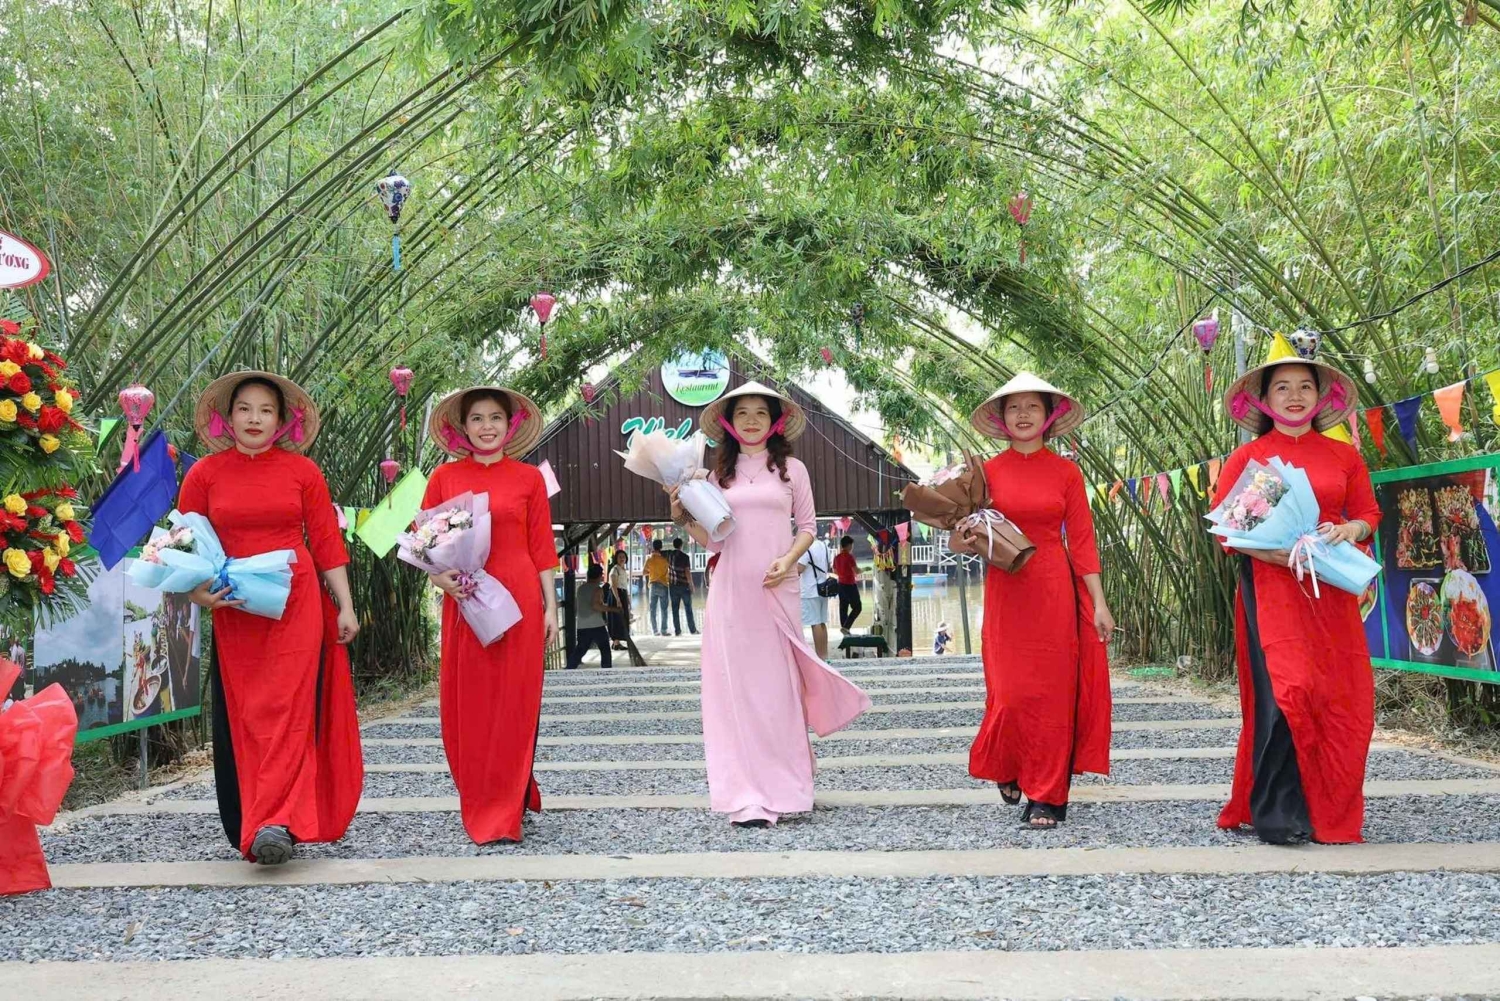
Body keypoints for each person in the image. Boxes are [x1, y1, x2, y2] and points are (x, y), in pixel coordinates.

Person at [669, 381, 870, 827]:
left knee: (777, 689)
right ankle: (744, 794)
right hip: (732, 592)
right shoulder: (716, 476)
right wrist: (681, 516)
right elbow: (712, 539)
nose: (752, 420)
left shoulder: (792, 470)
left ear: (776, 421)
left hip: (776, 586)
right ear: (728, 423)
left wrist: (788, 561)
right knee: (736, 691)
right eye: (743, 414)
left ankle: (787, 785)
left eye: (761, 412)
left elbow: (808, 526)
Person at [181, 371, 363, 865]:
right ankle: (261, 814)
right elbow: (185, 543)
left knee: (289, 708)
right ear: (228, 417)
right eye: (245, 409)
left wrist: (344, 604)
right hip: (237, 607)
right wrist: (199, 594)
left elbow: (326, 541)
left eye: (266, 410)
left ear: (283, 421)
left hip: (297, 601)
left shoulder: (303, 472)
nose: (254, 418)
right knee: (251, 710)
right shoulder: (204, 475)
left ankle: (276, 822)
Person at [1215, 337, 1378, 845]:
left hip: (1330, 587)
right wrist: (1282, 556)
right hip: (1273, 587)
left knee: (1336, 695)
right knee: (1288, 691)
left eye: (1304, 386)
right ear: (1263, 400)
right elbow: (1232, 535)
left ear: (1321, 396)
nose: (1293, 396)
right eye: (1281, 387)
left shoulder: (1342, 456)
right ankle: (1278, 811)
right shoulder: (1255, 457)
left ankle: (1324, 803)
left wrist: (1349, 532)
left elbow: (1368, 516)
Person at [960, 372, 1115, 830]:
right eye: (1013, 407)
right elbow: (963, 535)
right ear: (1002, 418)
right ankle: (1008, 764)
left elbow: (1083, 542)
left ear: (1050, 416)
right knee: (1007, 692)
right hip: (1005, 586)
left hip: (1052, 585)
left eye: (1032, 407)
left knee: (1050, 694)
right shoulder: (985, 473)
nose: (1023, 414)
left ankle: (1048, 794)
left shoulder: (1067, 472)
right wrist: (963, 536)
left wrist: (1099, 604)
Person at [423, 385, 560, 844]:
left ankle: (504, 805)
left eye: (495, 418)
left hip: (519, 597)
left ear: (510, 425)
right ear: (463, 427)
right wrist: (438, 579)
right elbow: (426, 545)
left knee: (516, 702)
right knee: (471, 702)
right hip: (465, 599)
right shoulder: (443, 477)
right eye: (477, 418)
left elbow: (542, 548)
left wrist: (550, 608)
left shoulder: (528, 479)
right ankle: (482, 791)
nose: (487, 426)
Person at [566, 563, 613, 670]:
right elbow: (596, 606)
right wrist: (613, 609)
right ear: (599, 576)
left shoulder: (581, 588)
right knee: (605, 649)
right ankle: (607, 670)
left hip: (582, 625)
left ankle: (569, 668)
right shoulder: (597, 589)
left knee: (580, 650)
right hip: (596, 625)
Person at [797, 533, 833, 660]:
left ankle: (819, 656)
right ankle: (824, 655)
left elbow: (799, 568)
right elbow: (829, 564)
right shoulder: (824, 546)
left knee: (815, 623)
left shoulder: (805, 548)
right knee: (822, 622)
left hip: (810, 589)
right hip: (823, 588)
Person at [667, 537, 697, 635]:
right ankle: (692, 630)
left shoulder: (669, 555)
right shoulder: (685, 557)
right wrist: (691, 584)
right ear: (681, 545)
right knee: (688, 608)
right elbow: (687, 571)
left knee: (675, 609)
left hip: (673, 586)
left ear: (673, 545)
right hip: (684, 586)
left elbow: (658, 552)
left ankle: (677, 631)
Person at [833, 536, 863, 634]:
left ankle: (844, 629)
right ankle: (846, 627)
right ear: (849, 545)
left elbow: (834, 571)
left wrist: (842, 574)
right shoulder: (849, 557)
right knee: (857, 607)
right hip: (850, 584)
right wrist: (864, 569)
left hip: (840, 584)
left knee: (843, 608)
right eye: (852, 545)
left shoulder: (837, 557)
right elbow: (856, 571)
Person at [644, 539, 671, 635]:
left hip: (652, 585)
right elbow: (668, 571)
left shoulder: (649, 559)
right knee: (664, 609)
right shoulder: (665, 560)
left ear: (653, 547)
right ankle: (664, 630)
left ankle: (655, 631)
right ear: (661, 547)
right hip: (663, 585)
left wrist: (651, 572)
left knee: (652, 609)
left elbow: (644, 572)